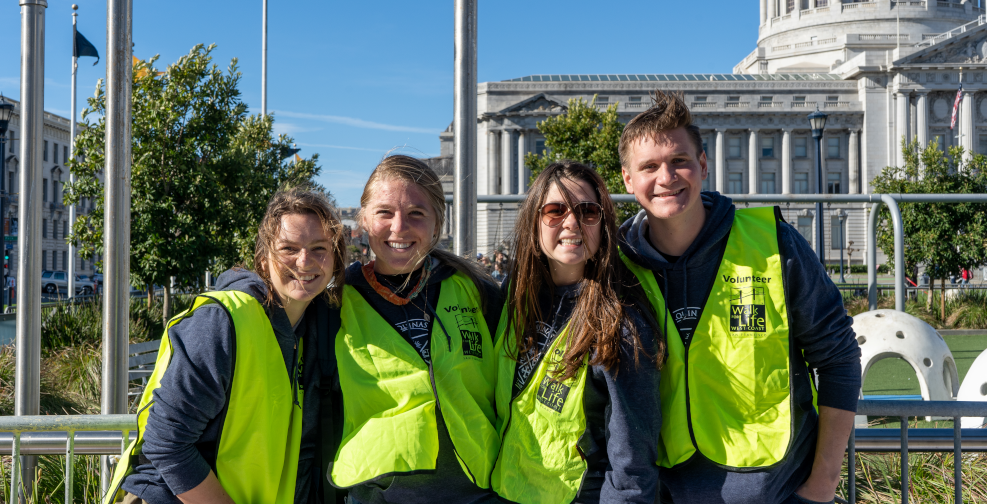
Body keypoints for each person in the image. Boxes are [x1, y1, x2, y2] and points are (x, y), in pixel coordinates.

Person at [616, 91, 861, 504]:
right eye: (649, 167)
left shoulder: (773, 243)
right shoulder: (617, 266)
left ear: (703, 165)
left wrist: (821, 486)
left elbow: (838, 358)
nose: (666, 177)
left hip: (778, 493)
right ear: (628, 179)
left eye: (679, 161)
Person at [105, 187, 346, 504]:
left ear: (335, 258)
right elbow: (166, 442)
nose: (304, 261)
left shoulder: (317, 328)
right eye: (289, 248)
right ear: (263, 260)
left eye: (319, 248)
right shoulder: (223, 321)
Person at [327, 155, 503, 504]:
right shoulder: (335, 301)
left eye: (416, 214)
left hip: (480, 491)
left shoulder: (477, 290)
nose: (399, 227)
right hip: (376, 496)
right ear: (362, 221)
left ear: (437, 223)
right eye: (384, 213)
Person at [492, 161, 662, 504]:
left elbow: (632, 462)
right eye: (555, 211)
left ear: (603, 225)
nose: (571, 222)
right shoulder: (514, 297)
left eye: (587, 211)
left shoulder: (622, 322)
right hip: (508, 489)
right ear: (534, 223)